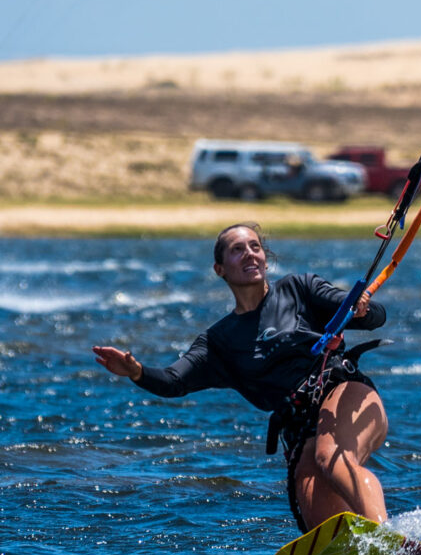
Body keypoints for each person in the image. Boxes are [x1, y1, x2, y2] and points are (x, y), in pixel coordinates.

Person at [92, 222, 389, 533]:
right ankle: (355, 553)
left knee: (330, 457)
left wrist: (362, 311)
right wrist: (136, 372)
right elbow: (172, 381)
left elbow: (376, 316)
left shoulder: (299, 289)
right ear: (219, 269)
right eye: (238, 250)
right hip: (300, 429)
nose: (250, 254)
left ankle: (385, 535)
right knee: (314, 502)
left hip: (346, 395)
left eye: (255, 247)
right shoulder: (218, 342)